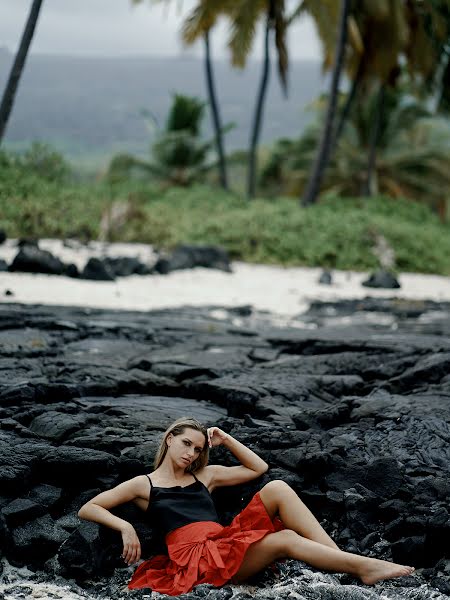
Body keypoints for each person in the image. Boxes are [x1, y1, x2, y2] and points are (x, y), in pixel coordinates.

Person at [78, 417, 415, 596]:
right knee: (283, 541)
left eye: (197, 448)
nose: (191, 454)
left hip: (223, 543)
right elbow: (89, 507)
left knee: (279, 488)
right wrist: (125, 526)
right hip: (197, 561)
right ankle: (362, 568)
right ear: (169, 439)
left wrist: (224, 439)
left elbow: (259, 469)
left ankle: (342, 562)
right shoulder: (144, 484)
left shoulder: (205, 476)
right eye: (186, 444)